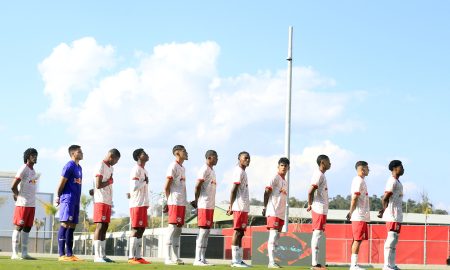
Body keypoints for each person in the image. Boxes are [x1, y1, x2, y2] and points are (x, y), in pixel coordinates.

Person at [55, 145, 84, 262]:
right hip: (68, 199)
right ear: (73, 153)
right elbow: (62, 182)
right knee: (65, 224)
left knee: (72, 225)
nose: (82, 153)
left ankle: (69, 254)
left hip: (76, 199)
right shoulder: (69, 166)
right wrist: (58, 196)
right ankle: (61, 255)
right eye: (79, 151)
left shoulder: (80, 167)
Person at [92, 149, 121, 263]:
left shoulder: (111, 168)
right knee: (100, 226)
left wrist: (110, 182)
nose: (116, 163)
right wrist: (109, 182)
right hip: (100, 200)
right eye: (116, 160)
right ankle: (97, 256)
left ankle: (102, 255)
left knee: (105, 226)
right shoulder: (100, 165)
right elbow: (98, 184)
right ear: (111, 156)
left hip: (108, 200)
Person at [10, 148, 39, 260]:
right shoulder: (23, 168)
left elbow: (30, 186)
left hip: (32, 204)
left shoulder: (33, 171)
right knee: (19, 226)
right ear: (28, 157)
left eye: (36, 155)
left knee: (27, 228)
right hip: (22, 204)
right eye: (33, 155)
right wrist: (18, 197)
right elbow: (13, 186)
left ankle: (24, 253)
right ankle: (14, 254)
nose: (35, 157)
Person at [262, 157, 290, 269]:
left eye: (285, 166)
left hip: (281, 213)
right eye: (282, 165)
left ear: (288, 168)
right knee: (273, 236)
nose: (283, 167)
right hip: (273, 211)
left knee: (277, 237)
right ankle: (271, 262)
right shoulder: (274, 177)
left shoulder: (285, 182)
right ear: (278, 166)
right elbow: (266, 191)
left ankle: (274, 261)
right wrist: (265, 206)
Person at [193, 150, 218, 266]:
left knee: (207, 232)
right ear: (209, 157)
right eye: (215, 157)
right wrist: (196, 200)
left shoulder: (212, 171)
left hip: (210, 205)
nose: (217, 159)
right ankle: (197, 259)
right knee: (202, 231)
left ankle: (202, 258)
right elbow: (197, 186)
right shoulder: (204, 169)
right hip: (203, 204)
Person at [164, 145, 188, 265]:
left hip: (181, 202)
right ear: (177, 153)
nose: (186, 153)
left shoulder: (182, 168)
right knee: (172, 228)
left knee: (178, 230)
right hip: (174, 201)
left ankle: (175, 257)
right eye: (184, 151)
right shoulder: (173, 166)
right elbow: (166, 186)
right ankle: (167, 258)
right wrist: (168, 201)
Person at [378, 160, 404, 270]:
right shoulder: (392, 181)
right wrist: (384, 210)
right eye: (401, 166)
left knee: (395, 240)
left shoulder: (398, 182)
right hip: (392, 214)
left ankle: (392, 265)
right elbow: (385, 198)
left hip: (397, 215)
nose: (403, 168)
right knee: (391, 238)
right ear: (394, 168)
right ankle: (386, 266)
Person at [307, 154, 331, 270]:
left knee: (319, 234)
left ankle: (316, 263)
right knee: (317, 234)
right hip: (319, 208)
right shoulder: (318, 174)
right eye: (328, 161)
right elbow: (310, 191)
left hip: (322, 209)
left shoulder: (322, 175)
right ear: (322, 162)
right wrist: (310, 203)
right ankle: (314, 264)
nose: (330, 163)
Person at [227, 151, 251, 268]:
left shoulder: (243, 172)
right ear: (239, 159)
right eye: (245, 158)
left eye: (248, 158)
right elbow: (233, 189)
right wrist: (231, 205)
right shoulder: (238, 171)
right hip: (238, 206)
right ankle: (234, 261)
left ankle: (239, 259)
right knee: (237, 232)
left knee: (241, 233)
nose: (247, 160)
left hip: (244, 206)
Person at [128, 148, 151, 264]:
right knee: (136, 228)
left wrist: (147, 203)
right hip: (136, 203)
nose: (147, 155)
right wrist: (144, 182)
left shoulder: (145, 170)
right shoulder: (136, 169)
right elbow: (134, 187)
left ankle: (138, 256)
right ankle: (131, 257)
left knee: (142, 229)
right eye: (144, 154)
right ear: (138, 157)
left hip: (143, 204)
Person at [346, 161, 370, 270]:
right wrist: (350, 212)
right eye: (367, 168)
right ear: (362, 170)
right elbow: (354, 198)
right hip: (358, 215)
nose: (369, 170)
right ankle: (353, 265)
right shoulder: (358, 181)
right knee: (357, 240)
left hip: (362, 216)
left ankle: (354, 264)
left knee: (358, 240)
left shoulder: (362, 181)